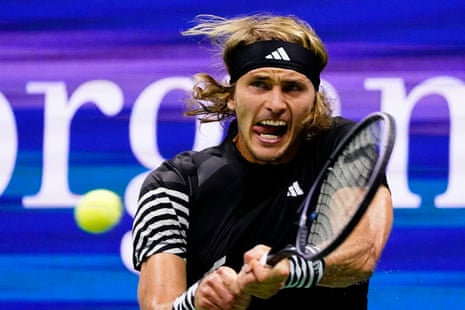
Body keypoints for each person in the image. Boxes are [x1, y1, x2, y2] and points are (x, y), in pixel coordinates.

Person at [132, 13, 393, 310]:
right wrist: (195, 302)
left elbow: (361, 254)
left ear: (314, 102)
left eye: (293, 88)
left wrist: (290, 269)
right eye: (259, 84)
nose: (276, 104)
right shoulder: (175, 183)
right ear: (232, 97)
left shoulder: (342, 146)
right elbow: (158, 305)